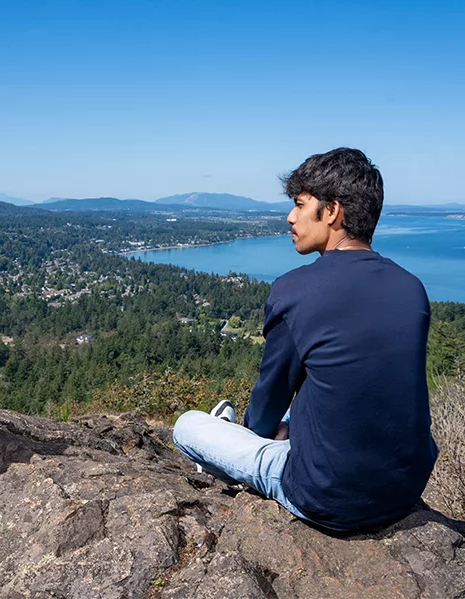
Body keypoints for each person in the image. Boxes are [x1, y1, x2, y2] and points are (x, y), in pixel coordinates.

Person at [172, 148, 438, 531]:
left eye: (299, 204)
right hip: (405, 487)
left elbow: (270, 398)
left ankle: (226, 442)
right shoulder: (412, 288)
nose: (290, 217)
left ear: (331, 211)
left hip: (325, 496)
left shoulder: (296, 290)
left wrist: (258, 437)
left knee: (188, 426)